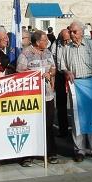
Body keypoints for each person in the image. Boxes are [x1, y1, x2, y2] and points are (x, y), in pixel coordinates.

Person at [57, 21, 92, 162]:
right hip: (76, 84)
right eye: (70, 32)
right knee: (77, 118)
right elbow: (62, 65)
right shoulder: (66, 48)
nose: (72, 34)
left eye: (74, 32)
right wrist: (67, 72)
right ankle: (80, 150)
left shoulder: (91, 45)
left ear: (81, 32)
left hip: (91, 82)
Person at [16, 30, 60, 165]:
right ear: (37, 42)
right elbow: (19, 71)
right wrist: (36, 74)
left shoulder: (47, 52)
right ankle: (27, 156)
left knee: (48, 125)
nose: (47, 42)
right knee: (31, 125)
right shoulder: (25, 54)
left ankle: (51, 153)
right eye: (44, 40)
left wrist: (50, 73)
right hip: (32, 97)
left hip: (47, 95)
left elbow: (53, 68)